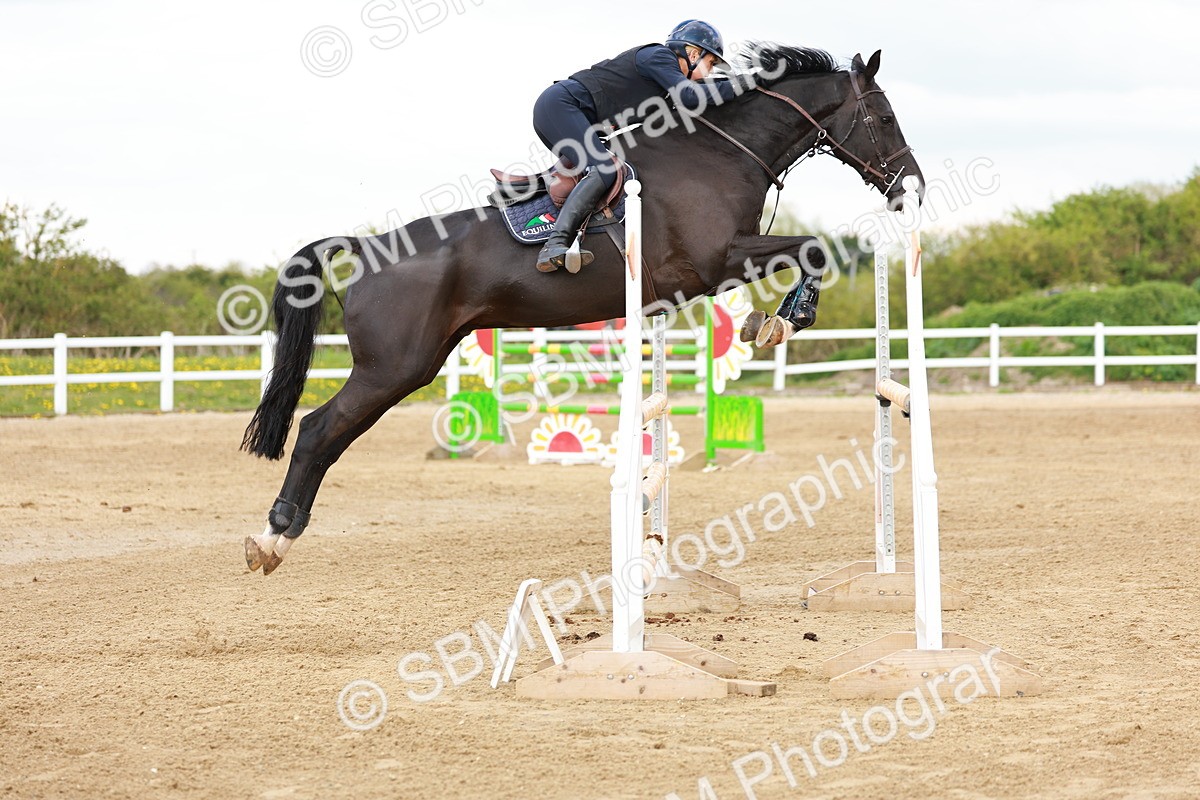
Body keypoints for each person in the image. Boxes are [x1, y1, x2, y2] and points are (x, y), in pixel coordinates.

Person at [532, 20, 752, 272]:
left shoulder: (665, 86)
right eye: (711, 63)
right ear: (693, 53)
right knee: (605, 169)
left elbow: (699, 95)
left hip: (568, 113)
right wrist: (745, 83)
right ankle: (555, 243)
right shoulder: (658, 56)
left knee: (605, 172)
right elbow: (691, 96)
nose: (711, 72)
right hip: (561, 106)